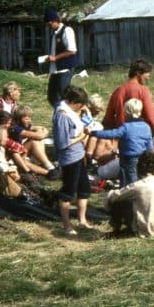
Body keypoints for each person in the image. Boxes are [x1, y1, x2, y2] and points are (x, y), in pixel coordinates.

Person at [104, 150, 154, 237]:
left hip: (146, 229)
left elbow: (113, 196)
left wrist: (107, 204)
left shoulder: (138, 186)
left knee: (119, 201)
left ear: (138, 167)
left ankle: (116, 230)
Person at [53, 85, 93, 236]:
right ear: (74, 102)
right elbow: (63, 143)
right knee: (68, 192)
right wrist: (82, 137)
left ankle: (82, 220)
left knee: (84, 189)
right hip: (70, 158)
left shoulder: (71, 112)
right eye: (80, 105)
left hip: (79, 156)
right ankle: (67, 225)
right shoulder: (63, 116)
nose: (81, 108)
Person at [89, 97, 154, 187]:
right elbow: (149, 143)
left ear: (126, 112)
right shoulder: (146, 127)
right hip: (142, 156)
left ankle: (127, 193)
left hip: (127, 157)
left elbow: (112, 134)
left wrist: (95, 133)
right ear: (140, 112)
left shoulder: (126, 127)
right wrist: (149, 155)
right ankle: (137, 191)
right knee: (138, 175)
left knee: (127, 176)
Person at [103, 59, 154, 137]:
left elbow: (108, 119)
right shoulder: (143, 91)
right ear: (138, 73)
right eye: (147, 74)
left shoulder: (118, 91)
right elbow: (151, 118)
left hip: (121, 135)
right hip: (139, 135)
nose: (148, 78)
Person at [41, 9, 78, 108]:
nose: (48, 26)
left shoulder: (67, 30)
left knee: (61, 97)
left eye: (49, 24)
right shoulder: (54, 34)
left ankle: (64, 118)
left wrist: (55, 58)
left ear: (54, 20)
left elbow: (72, 50)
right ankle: (59, 115)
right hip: (55, 70)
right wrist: (49, 58)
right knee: (51, 96)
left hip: (65, 68)